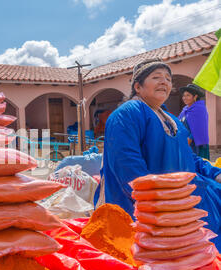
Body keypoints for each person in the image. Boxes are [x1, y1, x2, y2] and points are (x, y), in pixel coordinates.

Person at [94, 58, 221, 249]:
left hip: (179, 200)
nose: (165, 82)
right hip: (146, 208)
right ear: (138, 86)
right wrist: (161, 206)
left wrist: (214, 173)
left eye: (168, 79)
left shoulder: (172, 119)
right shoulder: (126, 114)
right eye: (156, 77)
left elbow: (189, 157)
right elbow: (127, 165)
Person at [178, 84, 210, 160]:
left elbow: (199, 128)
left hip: (196, 144)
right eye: (183, 95)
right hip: (185, 142)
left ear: (195, 97)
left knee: (197, 166)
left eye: (188, 95)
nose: (184, 98)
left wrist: (187, 142)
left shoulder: (199, 109)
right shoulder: (185, 110)